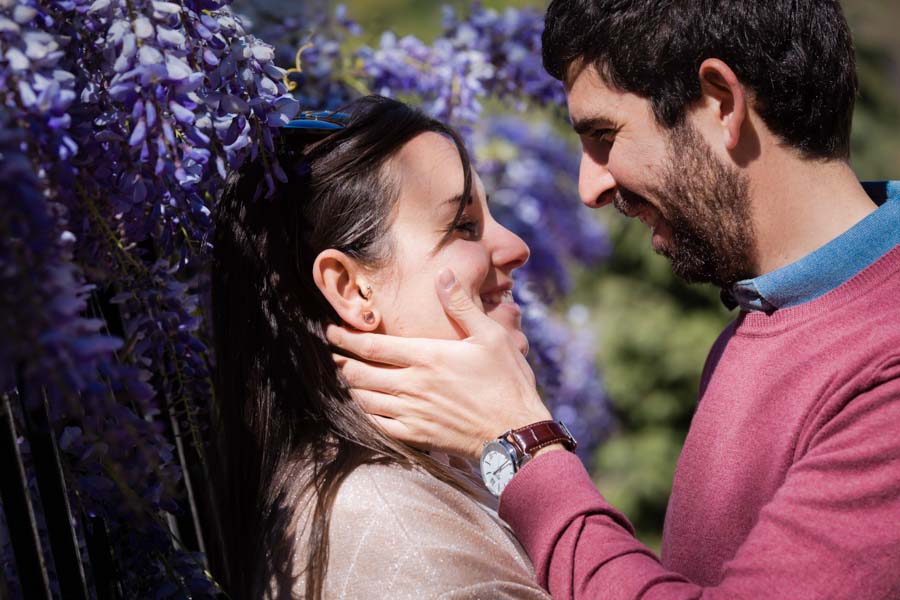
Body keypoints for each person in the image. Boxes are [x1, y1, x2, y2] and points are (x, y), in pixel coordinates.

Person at [327, 1, 900, 599]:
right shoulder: (763, 319)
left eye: (604, 135)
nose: (590, 187)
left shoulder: (885, 367)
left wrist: (523, 446)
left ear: (720, 102)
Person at [210, 95, 550, 599]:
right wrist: (534, 444)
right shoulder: (413, 548)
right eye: (463, 225)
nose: (517, 247)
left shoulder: (409, 486)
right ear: (351, 288)